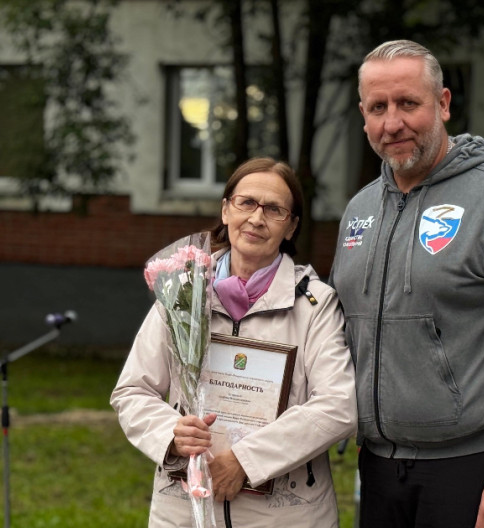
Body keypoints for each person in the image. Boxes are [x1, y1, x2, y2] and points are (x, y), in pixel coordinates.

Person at [330, 40, 484, 528]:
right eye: (378, 108)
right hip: (379, 469)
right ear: (363, 116)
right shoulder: (361, 209)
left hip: (475, 470)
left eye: (408, 103)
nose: (392, 123)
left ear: (443, 103)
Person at [111, 157, 358, 527]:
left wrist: (246, 460)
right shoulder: (183, 291)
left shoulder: (315, 304)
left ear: (291, 227)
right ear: (226, 210)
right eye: (247, 203)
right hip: (186, 510)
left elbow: (338, 406)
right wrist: (172, 435)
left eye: (274, 210)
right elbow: (132, 391)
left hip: (285, 516)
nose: (257, 218)